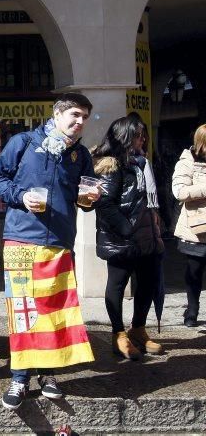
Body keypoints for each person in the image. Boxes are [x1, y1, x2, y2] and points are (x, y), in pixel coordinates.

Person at [0, 93, 100, 410]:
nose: (80, 123)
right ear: (57, 113)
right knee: (24, 311)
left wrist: (90, 198)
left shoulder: (79, 154)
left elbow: (83, 196)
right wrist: (21, 197)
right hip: (22, 237)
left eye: (85, 118)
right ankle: (19, 379)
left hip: (60, 240)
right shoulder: (23, 142)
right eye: (75, 115)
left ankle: (48, 373)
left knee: (54, 309)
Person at [92, 116, 165, 359]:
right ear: (124, 137)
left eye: (143, 134)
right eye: (137, 135)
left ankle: (138, 329)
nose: (142, 139)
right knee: (118, 284)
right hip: (123, 238)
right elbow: (105, 204)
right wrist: (126, 229)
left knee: (148, 283)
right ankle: (118, 334)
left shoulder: (142, 163)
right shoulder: (111, 166)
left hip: (147, 236)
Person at [172, 123, 206, 328]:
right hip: (197, 228)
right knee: (195, 271)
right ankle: (191, 311)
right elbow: (179, 192)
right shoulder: (188, 160)